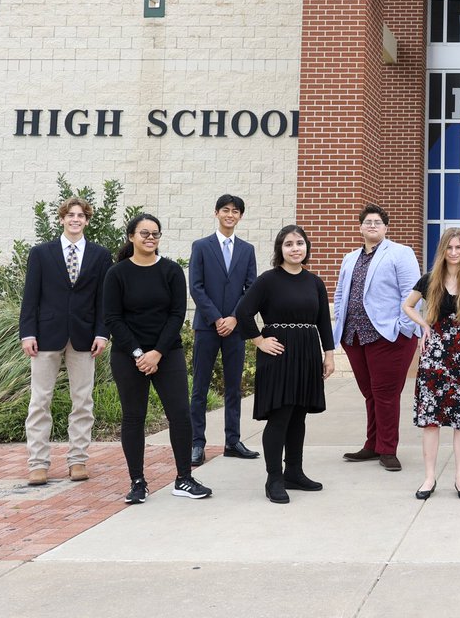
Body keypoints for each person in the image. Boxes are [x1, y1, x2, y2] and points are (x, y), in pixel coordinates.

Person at [102, 214, 212, 504]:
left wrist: (157, 353)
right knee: (133, 417)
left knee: (180, 414)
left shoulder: (171, 270)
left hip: (167, 353)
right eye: (144, 233)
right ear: (131, 237)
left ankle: (184, 478)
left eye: (155, 234)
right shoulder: (117, 273)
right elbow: (112, 318)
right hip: (129, 356)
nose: (150, 238)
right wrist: (139, 354)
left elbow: (177, 314)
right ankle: (138, 482)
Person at [234, 225, 335, 504]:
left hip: (307, 353)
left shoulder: (314, 282)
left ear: (306, 247)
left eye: (299, 243)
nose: (295, 248)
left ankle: (294, 472)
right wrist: (259, 340)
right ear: (280, 249)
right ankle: (274, 478)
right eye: (288, 244)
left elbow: (323, 321)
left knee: (299, 416)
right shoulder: (268, 280)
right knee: (280, 416)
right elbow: (243, 312)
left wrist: (328, 354)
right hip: (278, 354)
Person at [19, 196, 112, 486]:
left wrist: (102, 332)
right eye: (70, 214)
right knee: (40, 400)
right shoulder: (41, 253)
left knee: (83, 400)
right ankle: (37, 464)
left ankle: (78, 460)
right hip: (45, 335)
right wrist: (28, 333)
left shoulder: (100, 255)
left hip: (85, 336)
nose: (75, 219)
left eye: (81, 215)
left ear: (87, 221)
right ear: (62, 219)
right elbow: (30, 296)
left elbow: (104, 299)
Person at [333, 205, 421, 472]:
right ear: (360, 227)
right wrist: (340, 321)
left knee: (385, 394)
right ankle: (372, 444)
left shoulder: (400, 253)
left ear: (386, 227)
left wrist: (403, 329)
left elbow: (413, 293)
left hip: (388, 336)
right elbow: (340, 294)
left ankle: (388, 449)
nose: (372, 225)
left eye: (378, 222)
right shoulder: (350, 258)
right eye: (368, 222)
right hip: (354, 336)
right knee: (370, 393)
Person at [402, 228, 460, 501]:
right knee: (431, 421)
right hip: (434, 355)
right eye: (449, 247)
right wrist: (424, 325)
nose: (454, 252)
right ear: (443, 250)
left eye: (459, 247)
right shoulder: (429, 280)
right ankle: (429, 477)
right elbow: (407, 306)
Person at [188, 193, 259, 467]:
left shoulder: (247, 250)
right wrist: (217, 318)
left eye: (235, 211)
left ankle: (233, 441)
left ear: (240, 216)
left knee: (233, 387)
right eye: (226, 210)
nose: (230, 215)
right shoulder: (201, 246)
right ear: (216, 213)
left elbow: (250, 289)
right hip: (207, 327)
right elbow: (196, 286)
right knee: (200, 387)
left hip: (235, 328)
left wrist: (234, 318)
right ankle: (197, 443)